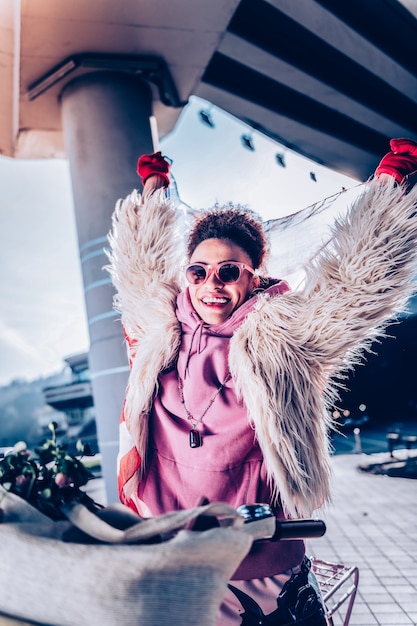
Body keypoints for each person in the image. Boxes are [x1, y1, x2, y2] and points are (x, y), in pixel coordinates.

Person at [106, 139, 417, 625]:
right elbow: (138, 267)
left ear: (253, 278)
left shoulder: (286, 339)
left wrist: (389, 192)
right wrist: (152, 191)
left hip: (260, 564)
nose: (212, 283)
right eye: (199, 271)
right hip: (171, 550)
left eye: (229, 271)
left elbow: (354, 288)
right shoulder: (156, 328)